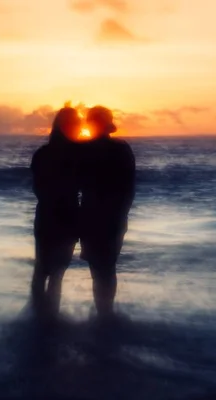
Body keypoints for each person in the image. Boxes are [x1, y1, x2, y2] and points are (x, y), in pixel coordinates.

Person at [80, 106, 136, 319]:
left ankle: (102, 312)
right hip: (114, 216)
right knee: (107, 267)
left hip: (93, 216)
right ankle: (105, 312)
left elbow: (79, 182)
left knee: (98, 268)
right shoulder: (122, 148)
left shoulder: (87, 150)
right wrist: (122, 213)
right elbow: (129, 187)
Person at [30, 107, 82, 315]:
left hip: (49, 213)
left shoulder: (43, 153)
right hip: (66, 214)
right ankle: (49, 315)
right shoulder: (78, 154)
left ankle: (39, 315)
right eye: (75, 123)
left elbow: (37, 187)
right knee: (55, 271)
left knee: (42, 269)